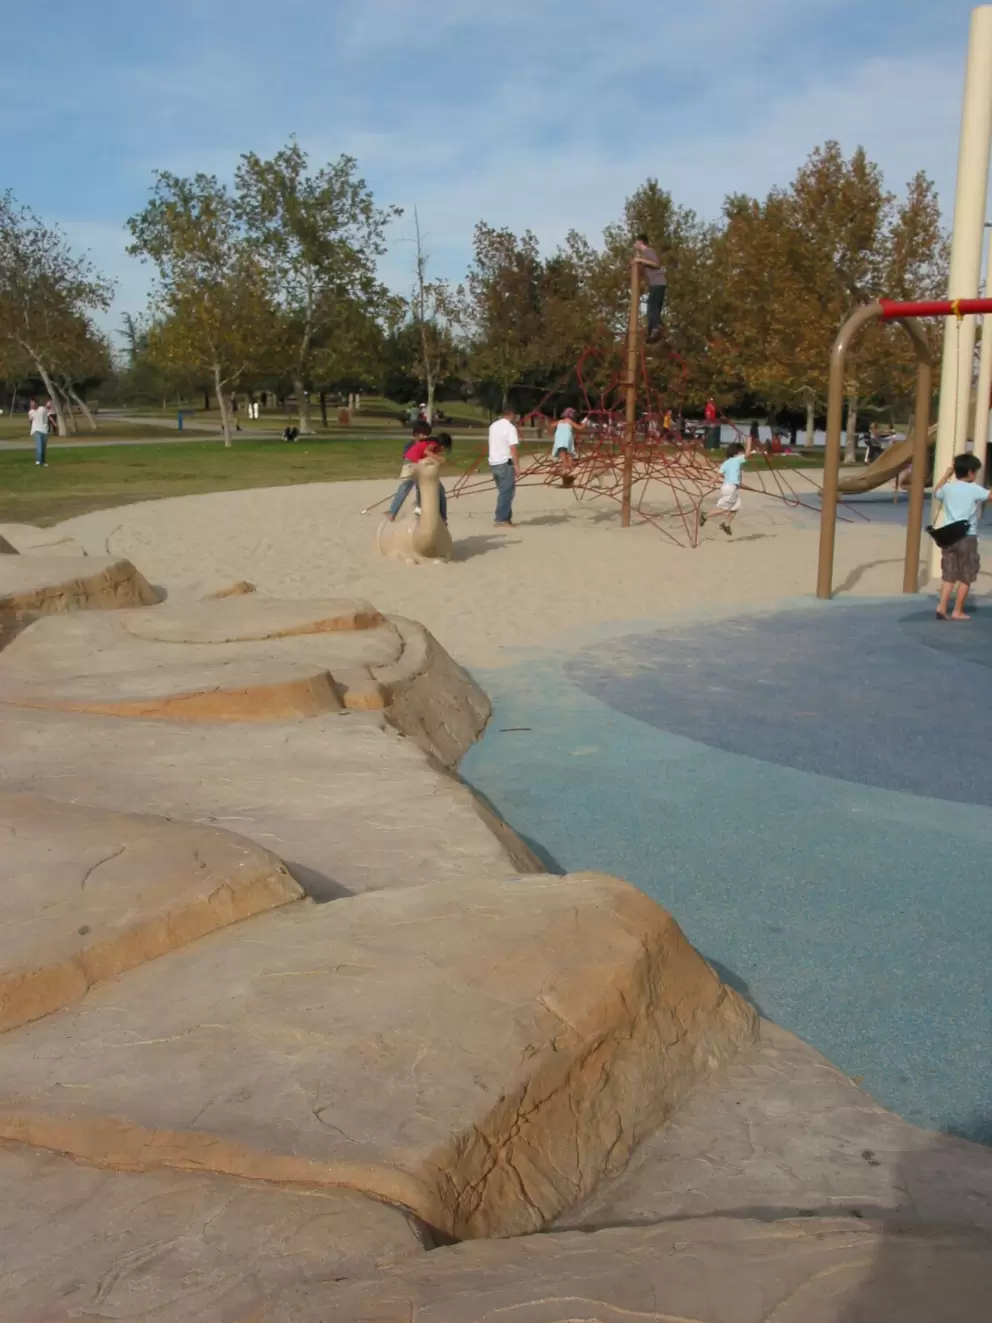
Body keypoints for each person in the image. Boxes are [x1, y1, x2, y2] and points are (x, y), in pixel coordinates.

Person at [932, 453, 990, 621]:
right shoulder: (974, 489)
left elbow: (936, 492)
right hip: (967, 537)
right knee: (966, 575)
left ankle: (942, 606)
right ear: (971, 472)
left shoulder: (948, 488)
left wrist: (946, 475)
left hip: (949, 537)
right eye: (976, 472)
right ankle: (957, 610)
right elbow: (990, 496)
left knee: (949, 574)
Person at [700, 438, 752, 536]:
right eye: (741, 452)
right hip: (731, 488)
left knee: (735, 507)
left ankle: (726, 524)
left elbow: (717, 475)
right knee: (723, 509)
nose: (742, 454)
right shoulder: (737, 459)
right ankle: (705, 516)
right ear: (736, 453)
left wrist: (709, 483)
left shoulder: (726, 463)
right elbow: (748, 453)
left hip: (728, 488)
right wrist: (749, 440)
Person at [385, 419, 434, 520]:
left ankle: (420, 508)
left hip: (422, 469)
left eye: (427, 435)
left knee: (421, 488)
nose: (425, 437)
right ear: (416, 434)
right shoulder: (410, 444)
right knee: (404, 488)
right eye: (423, 434)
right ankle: (392, 512)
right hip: (411, 468)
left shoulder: (427, 444)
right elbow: (406, 458)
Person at [489, 407, 521, 526]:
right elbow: (512, 448)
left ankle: (506, 517)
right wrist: (517, 466)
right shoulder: (510, 428)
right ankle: (501, 519)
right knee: (507, 492)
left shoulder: (493, 426)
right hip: (504, 463)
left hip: (494, 463)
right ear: (512, 414)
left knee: (504, 491)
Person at [633, 234, 666, 343]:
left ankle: (657, 328)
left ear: (640, 242)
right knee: (653, 307)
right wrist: (638, 259)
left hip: (658, 282)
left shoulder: (648, 251)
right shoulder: (645, 254)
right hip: (656, 284)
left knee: (651, 306)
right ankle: (653, 332)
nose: (634, 245)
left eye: (635, 243)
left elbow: (656, 264)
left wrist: (640, 259)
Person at [551, 407, 583, 485]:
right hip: (567, 440)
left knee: (564, 459)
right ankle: (570, 475)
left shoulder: (559, 421)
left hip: (560, 440)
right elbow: (580, 428)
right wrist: (585, 421)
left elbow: (551, 425)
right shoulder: (570, 421)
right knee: (569, 458)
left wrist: (554, 433)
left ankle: (568, 477)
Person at [28, 397, 49, 466]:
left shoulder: (42, 409)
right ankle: (39, 461)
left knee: (43, 448)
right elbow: (30, 420)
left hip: (44, 430)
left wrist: (48, 406)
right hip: (36, 430)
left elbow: (47, 410)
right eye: (30, 404)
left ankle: (42, 461)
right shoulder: (30, 412)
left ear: (36, 403)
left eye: (32, 403)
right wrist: (32, 428)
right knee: (39, 446)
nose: (31, 405)